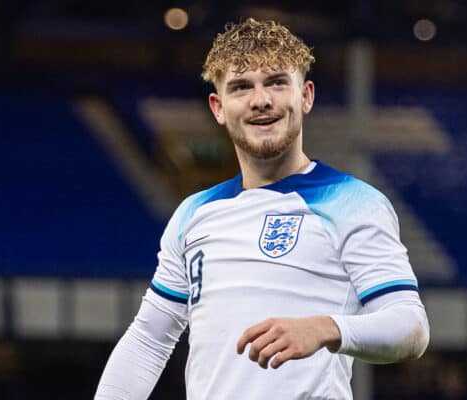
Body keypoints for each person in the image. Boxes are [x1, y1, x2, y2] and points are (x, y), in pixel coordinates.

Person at [95, 18, 429, 400]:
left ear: (305, 96)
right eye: (241, 87)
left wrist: (325, 329)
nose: (261, 99)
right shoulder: (194, 213)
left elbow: (410, 328)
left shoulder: (354, 202)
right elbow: (149, 339)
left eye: (276, 82)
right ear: (219, 107)